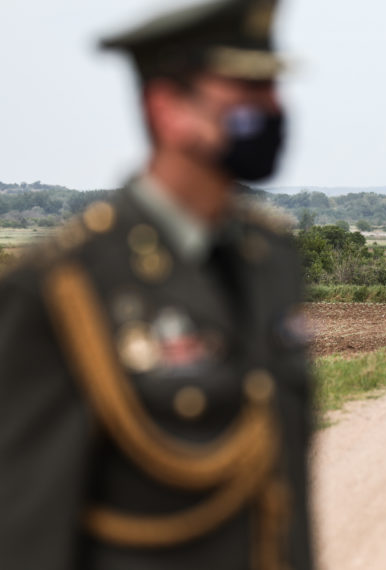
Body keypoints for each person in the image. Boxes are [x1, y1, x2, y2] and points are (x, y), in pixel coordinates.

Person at [0, 1, 315, 568]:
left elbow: (282, 496)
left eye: (271, 88)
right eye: (245, 89)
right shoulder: (64, 288)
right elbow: (29, 532)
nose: (271, 108)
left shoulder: (271, 258)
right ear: (168, 107)